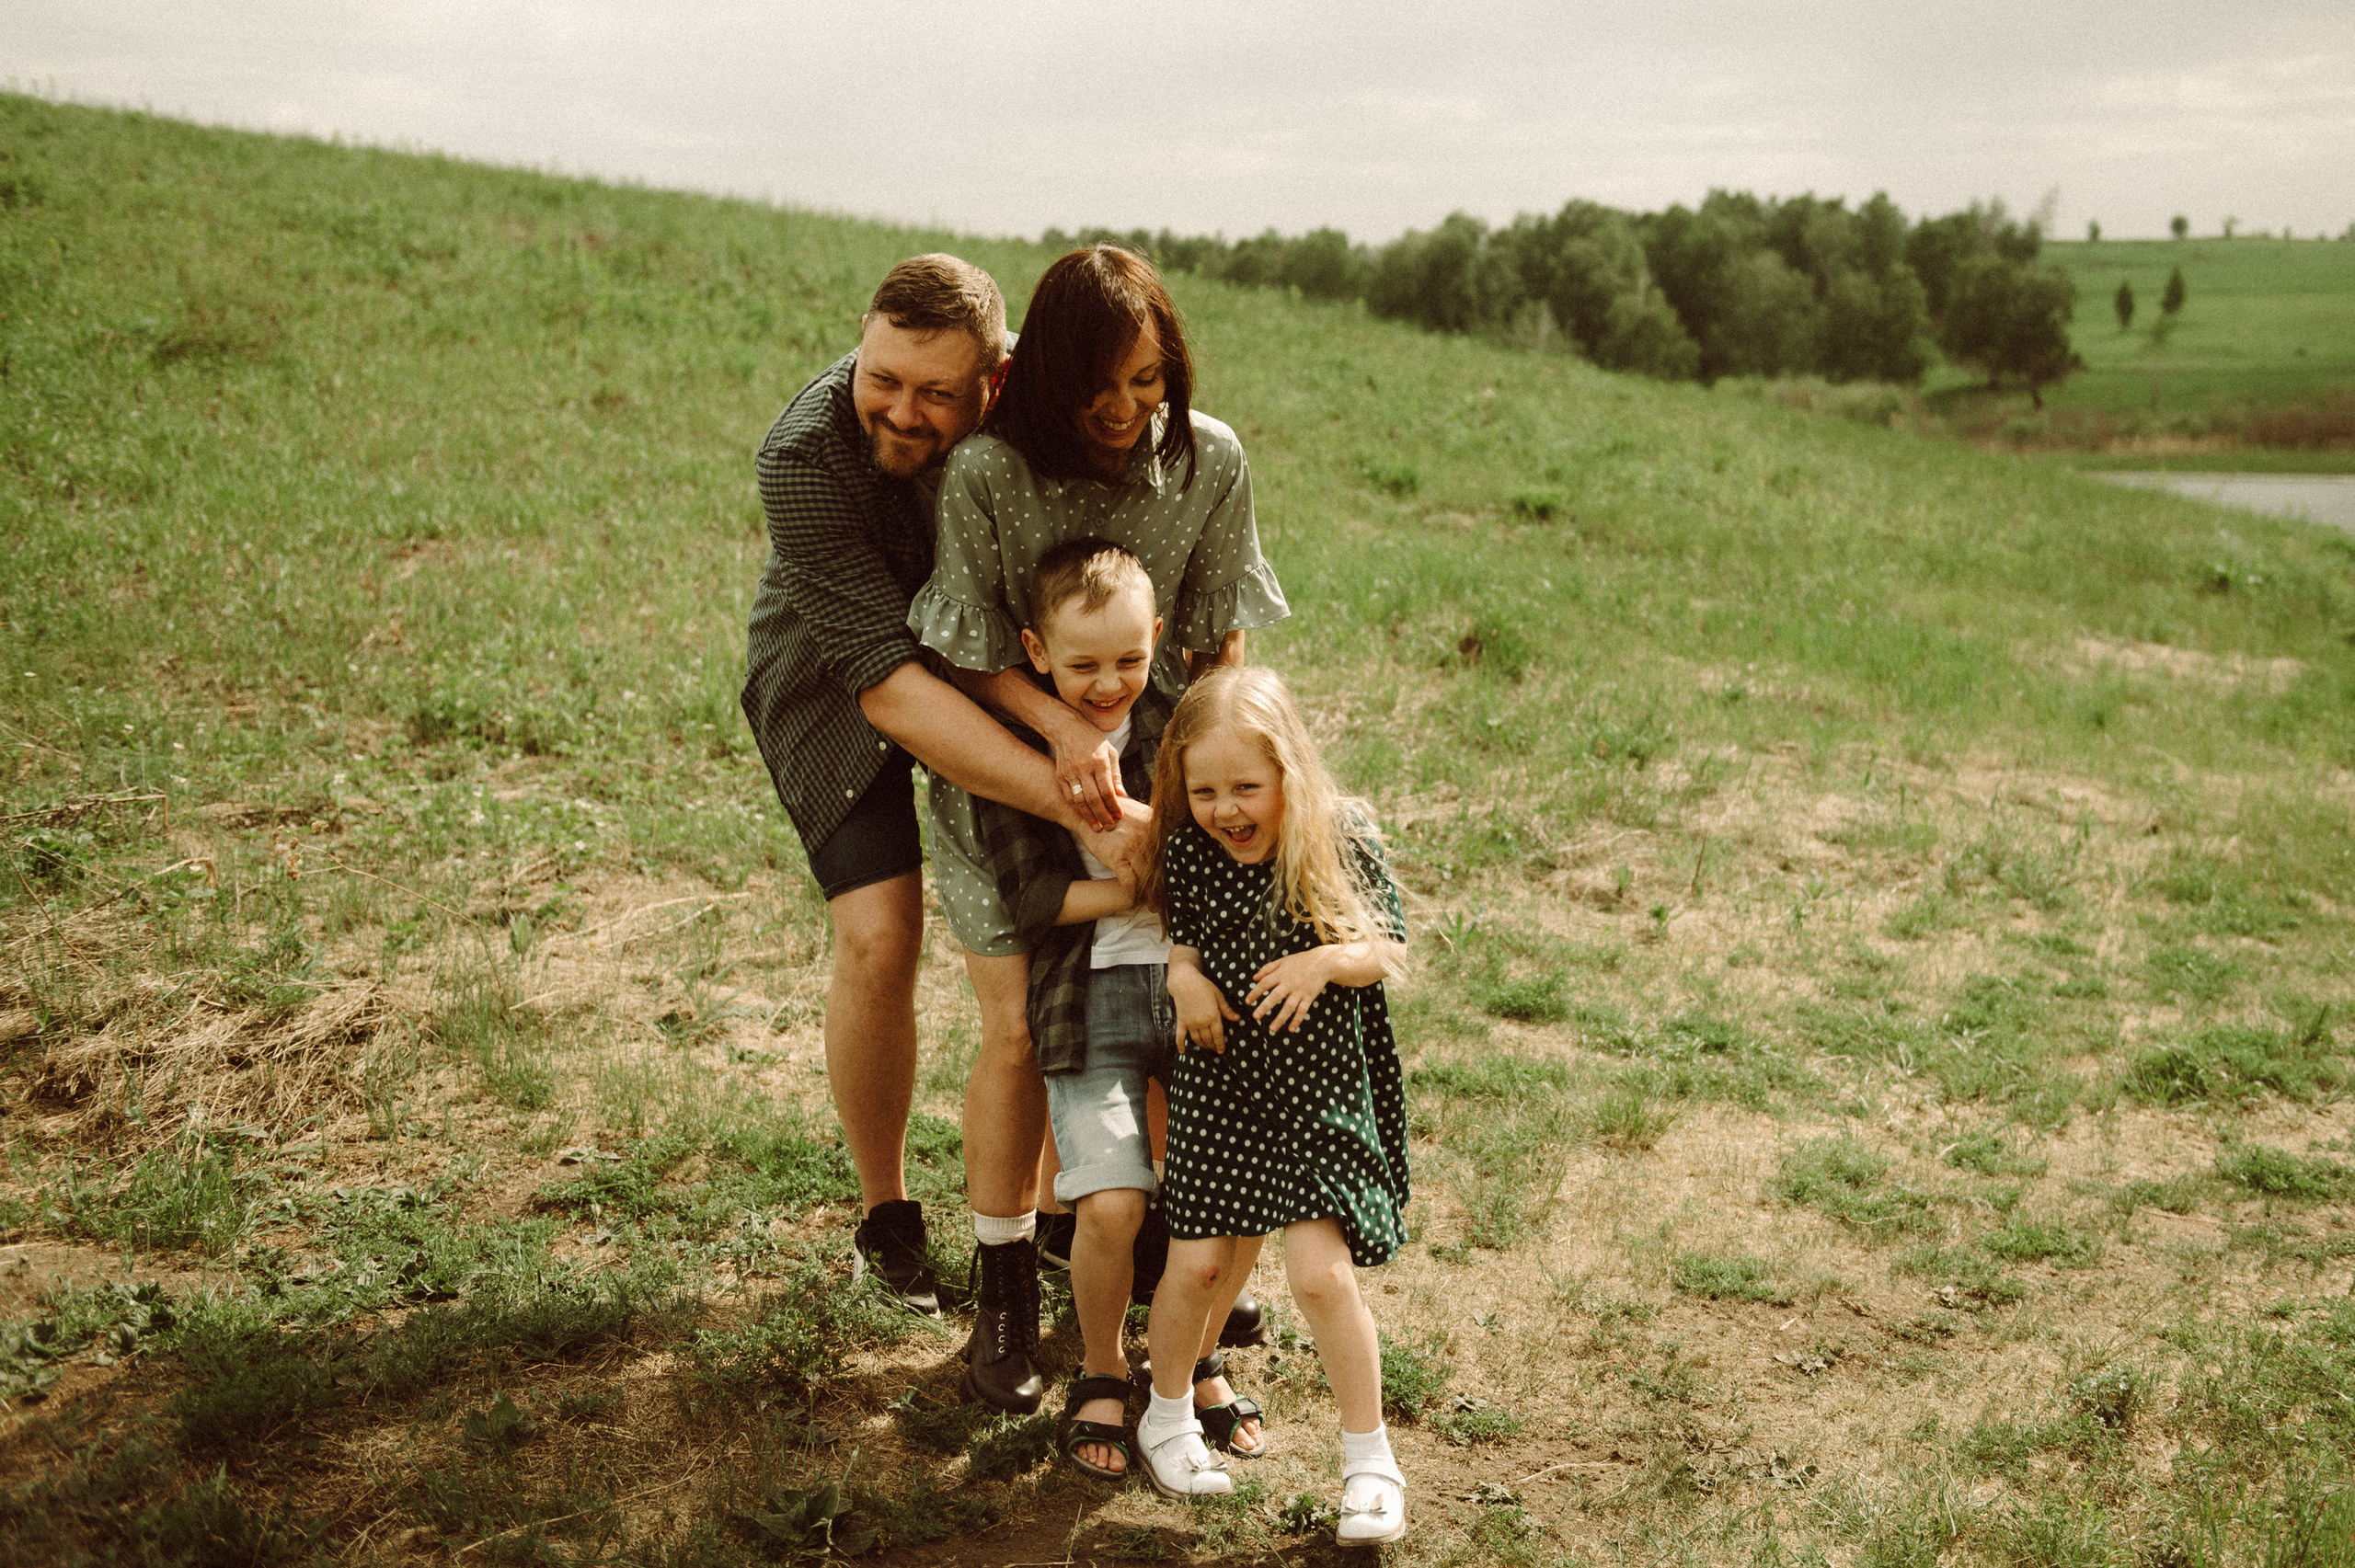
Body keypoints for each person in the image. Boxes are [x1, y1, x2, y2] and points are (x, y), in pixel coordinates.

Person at [908, 246, 1289, 1413]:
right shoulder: (986, 472)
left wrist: (1186, 799)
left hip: (1168, 791)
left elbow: (1219, 643)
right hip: (1012, 790)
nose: (1125, 409)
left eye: (1148, 381)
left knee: (1175, 1026)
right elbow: (965, 651)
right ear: (1047, 377)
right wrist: (1064, 739)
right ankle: (1004, 1293)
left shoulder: (1208, 460)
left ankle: (1164, 1268)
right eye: (1098, 387)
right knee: (1020, 1036)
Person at [741, 254, 1143, 1322]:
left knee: (1050, 936)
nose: (900, 411)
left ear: (994, 381)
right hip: (837, 678)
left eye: (935, 392)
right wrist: (1089, 806)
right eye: (881, 378)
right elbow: (889, 686)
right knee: (880, 934)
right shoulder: (801, 454)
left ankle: (1056, 1210)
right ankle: (886, 1218)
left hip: (1001, 662)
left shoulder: (1032, 410)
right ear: (860, 341)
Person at [1130, 666, 1413, 1544]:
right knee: (1198, 1267)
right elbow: (1184, 943)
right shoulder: (1189, 851)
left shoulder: (1341, 832)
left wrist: (1324, 961)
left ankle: (1370, 1461)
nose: (1226, 809)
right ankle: (1165, 1416)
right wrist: (1183, 979)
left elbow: (1386, 947)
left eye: (1246, 788)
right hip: (1222, 1082)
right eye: (1205, 791)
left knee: (1321, 1276)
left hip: (1318, 1084)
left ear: (1289, 769)